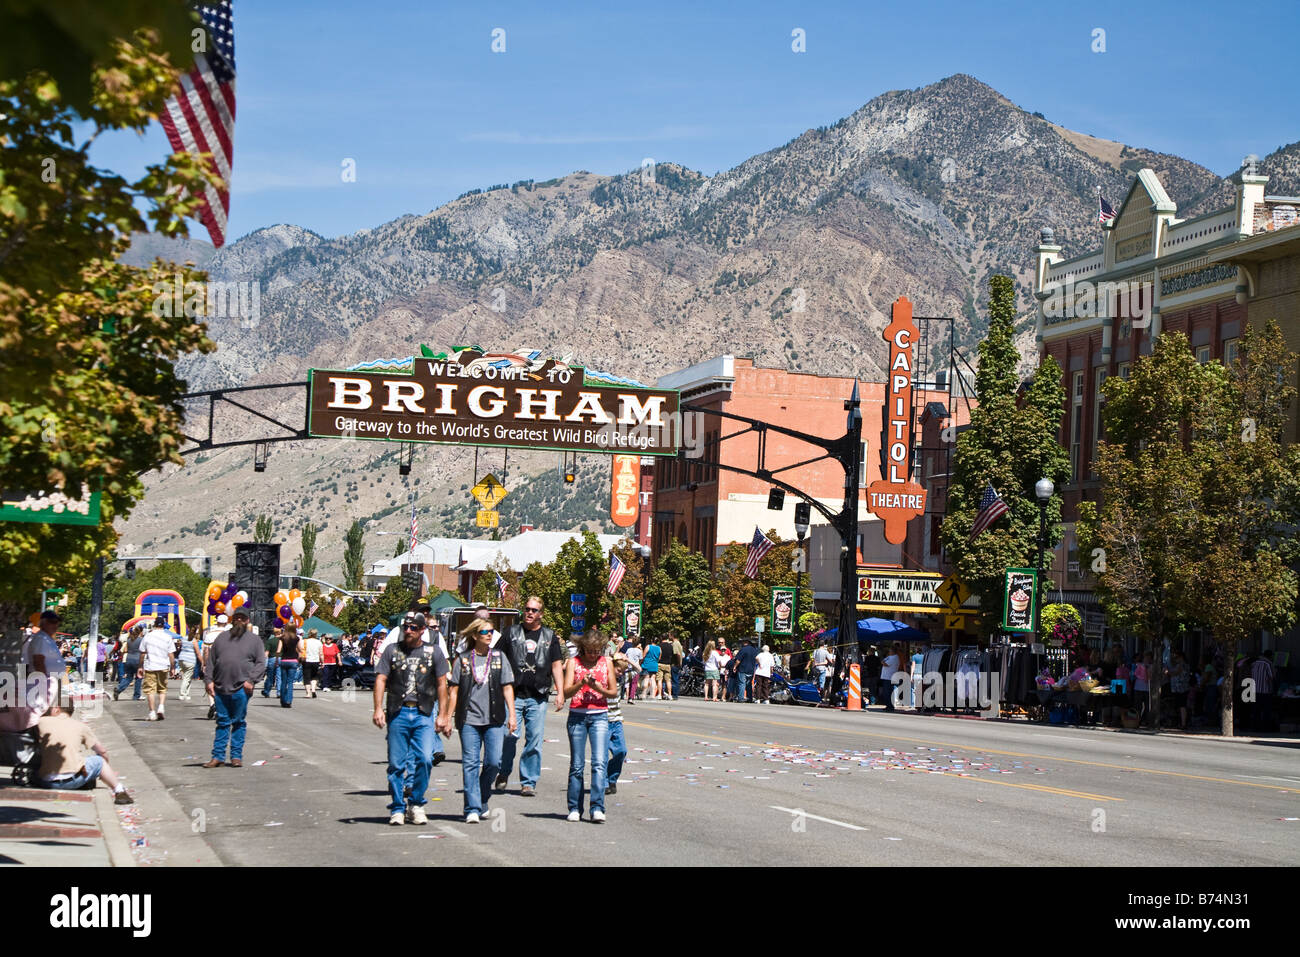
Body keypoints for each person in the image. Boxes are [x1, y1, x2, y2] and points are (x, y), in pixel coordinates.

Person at [375, 612, 450, 825]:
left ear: (422, 631)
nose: (408, 631)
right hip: (398, 712)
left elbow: (442, 683)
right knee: (397, 765)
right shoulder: (392, 650)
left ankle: (416, 803)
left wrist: (443, 715)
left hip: (423, 712)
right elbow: (381, 679)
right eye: (405, 627)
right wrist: (378, 709)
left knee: (426, 759)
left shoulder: (432, 652)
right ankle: (398, 807)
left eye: (413, 628)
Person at [439, 619, 516, 824]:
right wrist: (447, 717)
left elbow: (507, 687)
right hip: (469, 720)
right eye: (485, 631)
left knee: (493, 762)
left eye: (491, 631)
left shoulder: (500, 658)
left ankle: (482, 796)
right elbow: (453, 691)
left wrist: (513, 715)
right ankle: (472, 807)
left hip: (494, 719)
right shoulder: (463, 660)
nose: (489, 635)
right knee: (471, 764)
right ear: (475, 635)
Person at [497, 595, 565, 797]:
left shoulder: (549, 636)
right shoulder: (511, 633)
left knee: (534, 741)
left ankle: (528, 782)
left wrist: (560, 692)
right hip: (513, 695)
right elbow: (497, 658)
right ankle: (503, 772)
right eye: (527, 609)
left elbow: (556, 665)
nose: (529, 613)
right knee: (508, 737)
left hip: (538, 695)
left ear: (540, 614)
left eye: (534, 610)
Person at [561, 628, 617, 822]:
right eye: (590, 650)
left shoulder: (606, 662)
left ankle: (597, 807)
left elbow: (613, 692)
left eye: (597, 650)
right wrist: (581, 684)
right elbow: (566, 692)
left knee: (599, 763)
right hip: (577, 715)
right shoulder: (573, 663)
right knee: (576, 765)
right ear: (582, 648)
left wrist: (597, 688)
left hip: (599, 716)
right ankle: (575, 807)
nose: (594, 654)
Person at [36, 698, 133, 803]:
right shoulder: (80, 726)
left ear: (56, 709)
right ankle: (119, 790)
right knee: (99, 761)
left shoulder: (41, 722)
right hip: (73, 780)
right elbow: (102, 751)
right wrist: (104, 770)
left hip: (45, 781)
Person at [202, 610, 267, 768]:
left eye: (242, 618)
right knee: (222, 721)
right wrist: (208, 681)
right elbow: (211, 660)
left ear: (247, 620)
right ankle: (218, 756)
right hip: (220, 686)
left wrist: (251, 680)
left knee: (238, 722)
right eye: (236, 617)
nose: (239, 619)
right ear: (232, 619)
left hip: (241, 688)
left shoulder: (254, 640)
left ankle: (236, 756)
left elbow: (260, 663)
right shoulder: (222, 638)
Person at [139, 616, 176, 721]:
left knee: (150, 690)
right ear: (163, 625)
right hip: (163, 666)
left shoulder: (147, 636)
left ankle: (152, 713)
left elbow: (142, 653)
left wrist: (140, 666)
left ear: (154, 625)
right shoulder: (168, 637)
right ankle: (161, 707)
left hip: (150, 666)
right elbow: (171, 654)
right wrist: (173, 667)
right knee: (162, 688)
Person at [606, 653, 630, 794]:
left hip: (616, 721)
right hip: (602, 720)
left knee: (621, 751)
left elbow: (638, 669)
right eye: (618, 670)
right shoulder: (603, 677)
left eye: (622, 672)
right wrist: (612, 658)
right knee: (602, 755)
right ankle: (604, 784)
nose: (620, 673)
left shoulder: (621, 680)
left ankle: (612, 778)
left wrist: (628, 661)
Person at [114, 625, 145, 701]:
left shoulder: (129, 640)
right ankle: (136, 695)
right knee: (138, 678)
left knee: (128, 677)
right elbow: (143, 651)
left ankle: (119, 688)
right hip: (137, 660)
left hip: (128, 659)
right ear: (140, 632)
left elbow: (125, 650)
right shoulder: (141, 640)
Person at [276, 624, 302, 708]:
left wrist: (277, 660)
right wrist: (299, 657)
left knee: (284, 681)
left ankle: (283, 700)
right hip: (293, 660)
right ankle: (288, 700)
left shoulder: (282, 638)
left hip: (284, 660)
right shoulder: (296, 638)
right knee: (290, 682)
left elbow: (278, 650)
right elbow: (300, 650)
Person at [177, 626, 201, 701]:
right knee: (187, 677)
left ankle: (186, 693)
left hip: (181, 658)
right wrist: (203, 662)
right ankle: (182, 694)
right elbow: (198, 653)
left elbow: (180, 646)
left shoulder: (183, 638)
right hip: (190, 660)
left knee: (187, 677)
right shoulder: (194, 641)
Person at [732, 638, 758, 703]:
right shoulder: (754, 650)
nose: (742, 643)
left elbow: (738, 660)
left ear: (746, 642)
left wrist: (735, 667)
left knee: (741, 683)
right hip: (751, 670)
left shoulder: (743, 649)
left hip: (743, 669)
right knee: (749, 684)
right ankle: (750, 698)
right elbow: (757, 660)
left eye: (743, 642)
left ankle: (741, 698)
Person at [880, 642, 904, 711]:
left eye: (890, 651)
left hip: (889, 677)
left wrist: (883, 662)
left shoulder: (894, 658)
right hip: (886, 677)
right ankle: (888, 705)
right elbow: (883, 661)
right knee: (887, 692)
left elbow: (884, 663)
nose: (889, 652)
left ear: (893, 651)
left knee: (888, 692)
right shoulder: (890, 657)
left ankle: (890, 706)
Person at [261, 622, 283, 698]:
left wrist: (263, 662)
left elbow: (266, 653)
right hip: (281, 658)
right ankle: (279, 692)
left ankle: (267, 691)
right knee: (279, 676)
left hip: (272, 659)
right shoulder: (283, 641)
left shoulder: (270, 641)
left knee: (270, 676)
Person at [302, 628, 323, 698]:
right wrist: (322, 662)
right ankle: (313, 690)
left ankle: (308, 693)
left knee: (307, 677)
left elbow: (301, 651)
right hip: (316, 661)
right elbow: (321, 654)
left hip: (307, 660)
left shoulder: (304, 641)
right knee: (314, 676)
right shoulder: (319, 642)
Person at [639, 637, 662, 701]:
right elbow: (659, 658)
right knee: (653, 679)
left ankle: (644, 694)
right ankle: (653, 695)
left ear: (652, 640)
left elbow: (643, 656)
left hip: (647, 664)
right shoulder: (659, 648)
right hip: (654, 665)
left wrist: (640, 663)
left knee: (646, 678)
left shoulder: (648, 646)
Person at [657, 633, 676, 701]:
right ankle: (670, 695)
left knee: (659, 680)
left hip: (660, 663)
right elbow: (672, 655)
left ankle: (659, 694)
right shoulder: (670, 646)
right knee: (668, 680)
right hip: (668, 664)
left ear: (661, 638)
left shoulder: (659, 646)